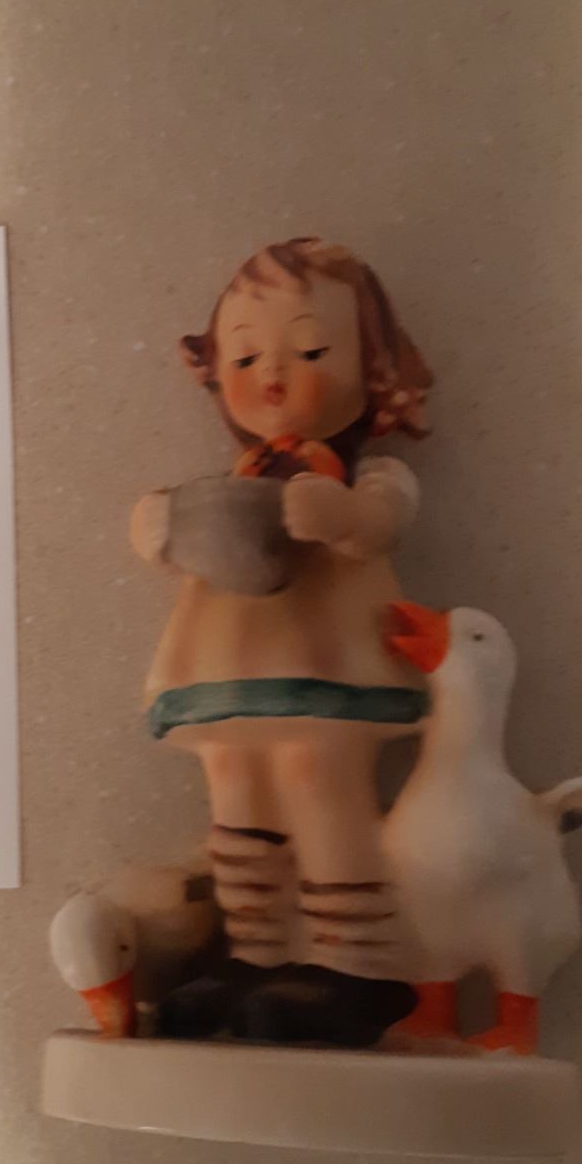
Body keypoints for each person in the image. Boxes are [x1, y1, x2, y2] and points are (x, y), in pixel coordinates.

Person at [130, 237, 433, 1046]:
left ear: (372, 367)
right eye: (244, 355)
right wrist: (159, 526)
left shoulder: (364, 474)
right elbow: (169, 535)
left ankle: (354, 963)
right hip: (229, 665)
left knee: (313, 769)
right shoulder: (237, 480)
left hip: (329, 661)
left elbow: (384, 517)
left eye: (310, 350)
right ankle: (254, 952)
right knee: (231, 776)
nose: (271, 373)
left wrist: (343, 516)